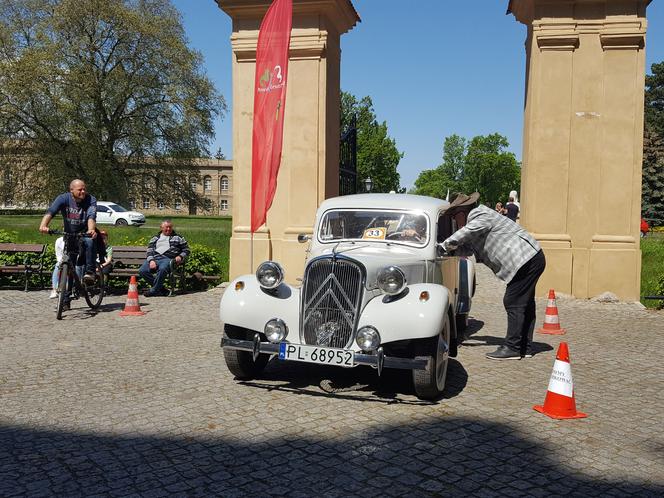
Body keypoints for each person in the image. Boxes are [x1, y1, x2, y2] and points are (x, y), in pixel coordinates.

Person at [441, 192, 546, 360]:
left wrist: (443, 246)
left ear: (463, 211)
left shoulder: (479, 215)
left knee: (513, 300)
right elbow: (469, 249)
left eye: (455, 215)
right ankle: (525, 347)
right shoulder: (477, 222)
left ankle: (513, 347)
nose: (454, 220)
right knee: (525, 303)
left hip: (525, 259)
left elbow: (468, 232)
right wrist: (448, 252)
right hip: (531, 257)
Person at [39, 179, 97, 286]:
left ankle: (90, 273)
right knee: (70, 264)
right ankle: (66, 297)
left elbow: (91, 216)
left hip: (84, 233)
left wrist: (91, 230)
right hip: (70, 235)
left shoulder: (90, 199)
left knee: (89, 242)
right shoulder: (63, 198)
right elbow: (51, 211)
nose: (83, 192)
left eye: (84, 189)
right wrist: (43, 225)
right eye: (80, 190)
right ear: (71, 190)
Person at [140, 220, 190, 297]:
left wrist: (180, 256)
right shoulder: (155, 238)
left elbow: (186, 250)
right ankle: (162, 290)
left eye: (170, 227)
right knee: (142, 271)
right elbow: (149, 251)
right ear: (161, 228)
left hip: (169, 259)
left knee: (163, 269)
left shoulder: (178, 237)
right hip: (155, 258)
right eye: (166, 227)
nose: (169, 229)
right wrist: (151, 260)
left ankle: (153, 290)